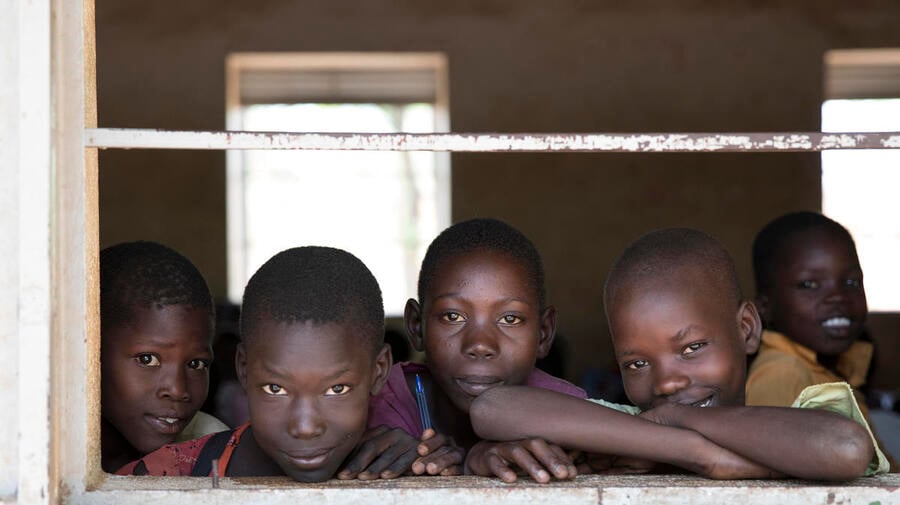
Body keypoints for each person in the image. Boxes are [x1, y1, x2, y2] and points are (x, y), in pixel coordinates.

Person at [470, 228, 887, 481]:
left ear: (747, 328)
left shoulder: (800, 417)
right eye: (636, 364)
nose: (666, 382)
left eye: (691, 348)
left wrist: (678, 418)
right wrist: (697, 454)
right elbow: (494, 406)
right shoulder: (629, 428)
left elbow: (846, 448)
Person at [117, 246, 433, 481]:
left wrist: (439, 472)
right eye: (276, 388)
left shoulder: (408, 473)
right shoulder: (164, 477)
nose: (306, 427)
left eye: (337, 389)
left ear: (378, 372)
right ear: (243, 368)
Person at [368, 218, 586, 483]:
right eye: (452, 316)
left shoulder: (566, 409)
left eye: (510, 319)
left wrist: (471, 459)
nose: (481, 345)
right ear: (416, 326)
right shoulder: (376, 403)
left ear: (543, 333)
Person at [746, 212, 896, 469]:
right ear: (765, 306)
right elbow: (778, 482)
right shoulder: (783, 374)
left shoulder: (830, 369)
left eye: (851, 281)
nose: (838, 297)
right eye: (809, 284)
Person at [100, 241, 228, 473]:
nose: (178, 390)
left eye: (196, 364)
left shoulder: (212, 449)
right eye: (147, 359)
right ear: (92, 354)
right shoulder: (42, 450)